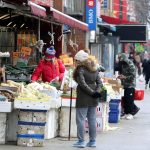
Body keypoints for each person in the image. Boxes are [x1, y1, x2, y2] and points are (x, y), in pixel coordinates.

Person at [72, 50, 103, 148]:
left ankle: (81, 141)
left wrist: (92, 92)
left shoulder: (80, 69)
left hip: (83, 97)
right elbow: (100, 83)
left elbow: (82, 84)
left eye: (76, 60)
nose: (75, 62)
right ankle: (92, 141)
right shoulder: (95, 68)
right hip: (93, 98)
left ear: (80, 60)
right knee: (92, 119)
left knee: (80, 119)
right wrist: (96, 92)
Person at [117, 53, 140, 120]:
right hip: (124, 84)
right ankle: (126, 112)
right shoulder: (123, 64)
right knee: (125, 99)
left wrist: (124, 77)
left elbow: (133, 76)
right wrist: (121, 76)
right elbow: (123, 73)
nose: (121, 62)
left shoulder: (130, 64)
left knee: (129, 99)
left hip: (130, 85)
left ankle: (131, 113)